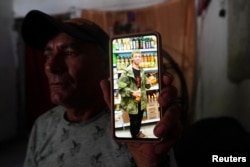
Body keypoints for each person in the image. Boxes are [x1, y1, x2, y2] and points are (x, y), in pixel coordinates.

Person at [21, 10, 182, 167]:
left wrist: (149, 162)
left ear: (106, 64)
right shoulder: (42, 126)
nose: (50, 66)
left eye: (70, 52)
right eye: (48, 55)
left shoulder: (136, 131)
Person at [118, 50, 151, 138]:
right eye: (136, 56)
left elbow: (146, 86)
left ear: (141, 59)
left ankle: (137, 132)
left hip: (142, 100)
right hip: (132, 103)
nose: (138, 58)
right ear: (132, 58)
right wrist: (132, 93)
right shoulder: (126, 72)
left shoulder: (142, 71)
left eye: (139, 56)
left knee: (140, 119)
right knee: (134, 121)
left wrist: (148, 83)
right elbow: (121, 89)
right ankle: (134, 136)